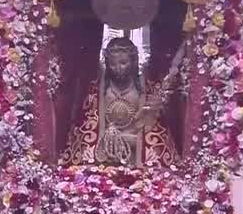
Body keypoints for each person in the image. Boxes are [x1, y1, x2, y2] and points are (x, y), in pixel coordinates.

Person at [62, 36, 182, 168]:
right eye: (112, 64)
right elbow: (89, 125)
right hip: (105, 153)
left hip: (137, 151)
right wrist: (109, 139)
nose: (118, 68)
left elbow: (153, 129)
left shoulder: (146, 91)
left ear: (134, 62)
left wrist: (132, 139)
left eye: (123, 62)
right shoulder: (97, 92)